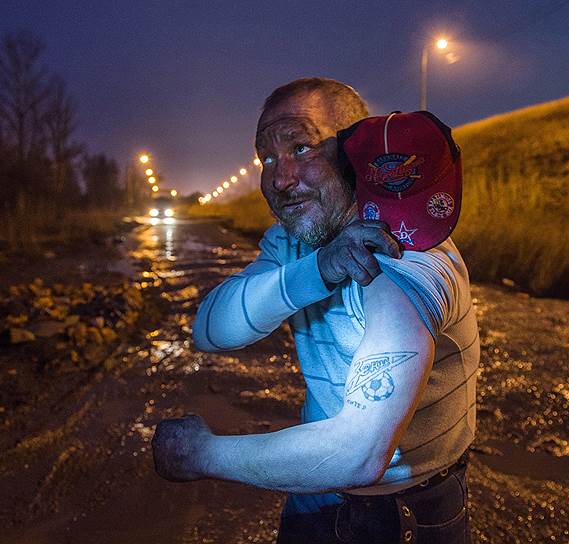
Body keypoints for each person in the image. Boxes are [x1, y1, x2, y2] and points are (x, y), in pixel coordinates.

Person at [151, 78, 479, 543]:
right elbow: (210, 329)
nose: (280, 179)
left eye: (302, 147)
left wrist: (202, 454)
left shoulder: (408, 255)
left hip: (406, 515)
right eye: (267, 157)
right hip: (312, 494)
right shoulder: (294, 242)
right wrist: (318, 270)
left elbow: (359, 452)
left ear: (356, 156)